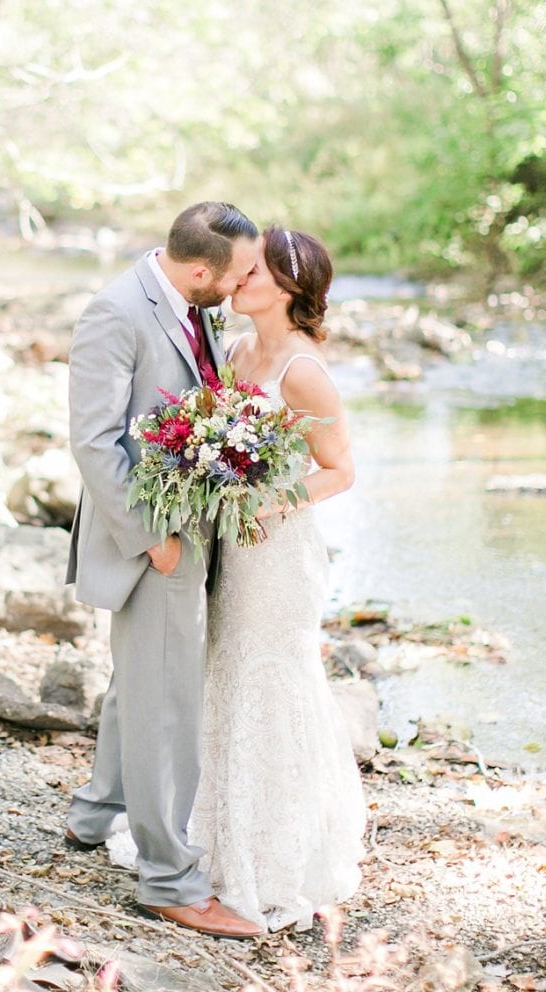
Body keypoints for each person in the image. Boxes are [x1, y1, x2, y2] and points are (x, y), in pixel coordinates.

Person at [63, 201, 264, 939]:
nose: (246, 286)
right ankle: (169, 879)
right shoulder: (116, 313)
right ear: (203, 269)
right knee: (166, 703)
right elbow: (93, 442)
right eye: (240, 273)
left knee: (138, 684)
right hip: (156, 538)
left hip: (192, 526)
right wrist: (154, 538)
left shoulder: (193, 302)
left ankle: (95, 813)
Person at [191, 224, 366, 931]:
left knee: (269, 680)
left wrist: (272, 500)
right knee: (225, 674)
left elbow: (342, 470)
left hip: (280, 554)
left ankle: (277, 861)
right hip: (231, 547)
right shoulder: (234, 351)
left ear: (290, 287)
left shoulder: (302, 371)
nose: (238, 278)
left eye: (254, 271)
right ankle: (216, 841)